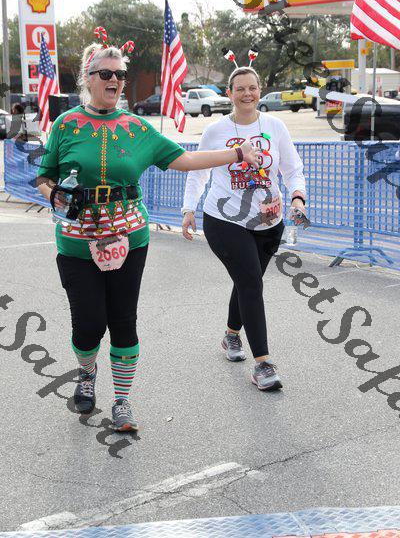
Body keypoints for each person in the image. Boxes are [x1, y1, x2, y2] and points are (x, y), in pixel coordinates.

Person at [37, 35, 260, 432]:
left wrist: (237, 153)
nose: (115, 80)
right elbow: (44, 175)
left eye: (120, 75)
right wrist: (54, 195)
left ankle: (122, 402)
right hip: (76, 242)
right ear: (88, 78)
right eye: (106, 74)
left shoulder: (137, 128)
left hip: (130, 239)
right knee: (88, 324)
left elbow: (185, 158)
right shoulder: (66, 124)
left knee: (123, 321)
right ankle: (86, 374)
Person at [182, 66, 306, 391]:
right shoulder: (216, 131)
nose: (247, 94)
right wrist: (188, 208)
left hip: (269, 223)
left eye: (252, 88)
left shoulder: (275, 127)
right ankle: (263, 364)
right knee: (250, 280)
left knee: (248, 281)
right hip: (225, 220)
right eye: (240, 89)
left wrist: (298, 197)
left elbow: (293, 168)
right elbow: (198, 172)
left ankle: (231, 335)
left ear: (259, 90)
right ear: (229, 93)